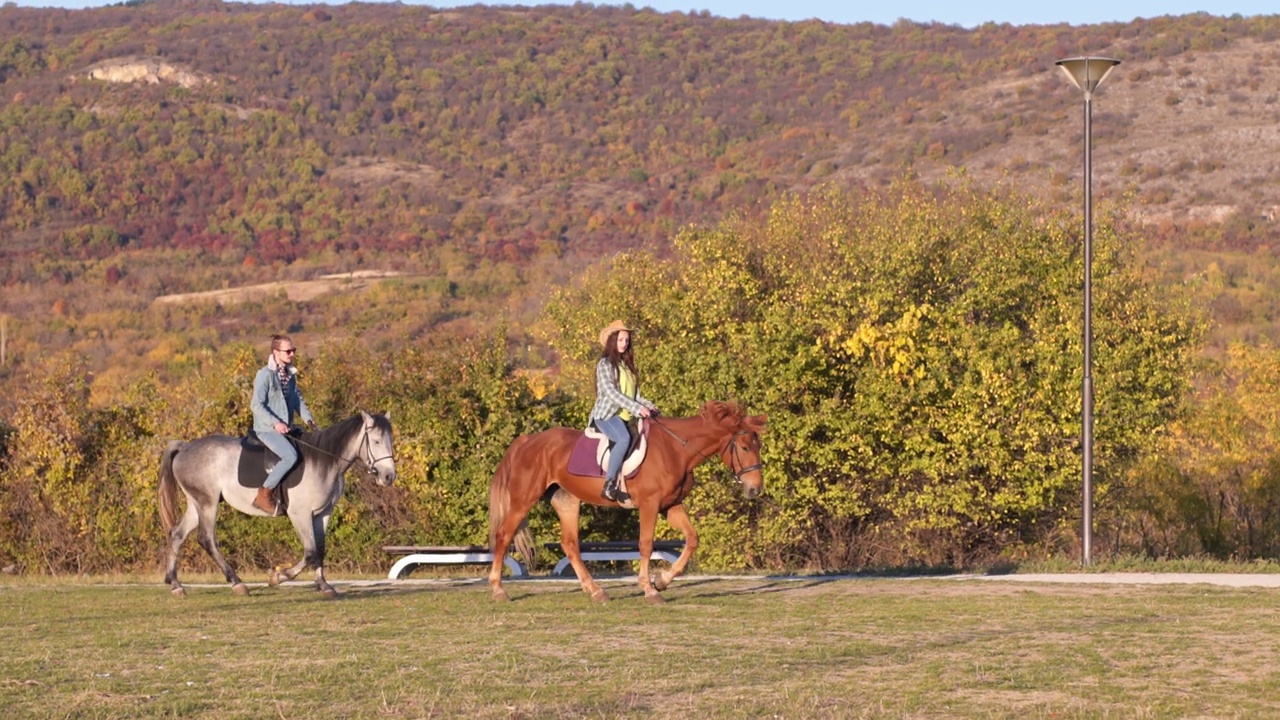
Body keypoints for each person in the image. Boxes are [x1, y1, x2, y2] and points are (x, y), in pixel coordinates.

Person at [589, 320, 659, 503]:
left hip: (627, 415)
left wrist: (649, 405)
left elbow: (634, 395)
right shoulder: (604, 365)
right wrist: (637, 408)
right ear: (612, 341)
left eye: (626, 340)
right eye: (620, 340)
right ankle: (610, 484)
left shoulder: (626, 366)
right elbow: (612, 393)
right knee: (623, 438)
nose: (624, 344)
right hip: (607, 415)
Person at [250, 334, 316, 514]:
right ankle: (264, 494)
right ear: (276, 352)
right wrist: (276, 424)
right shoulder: (265, 375)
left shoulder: (290, 374)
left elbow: (297, 400)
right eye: (288, 351)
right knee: (290, 456)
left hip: (286, 427)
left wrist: (308, 419)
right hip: (267, 429)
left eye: (293, 350)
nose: (292, 354)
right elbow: (256, 405)